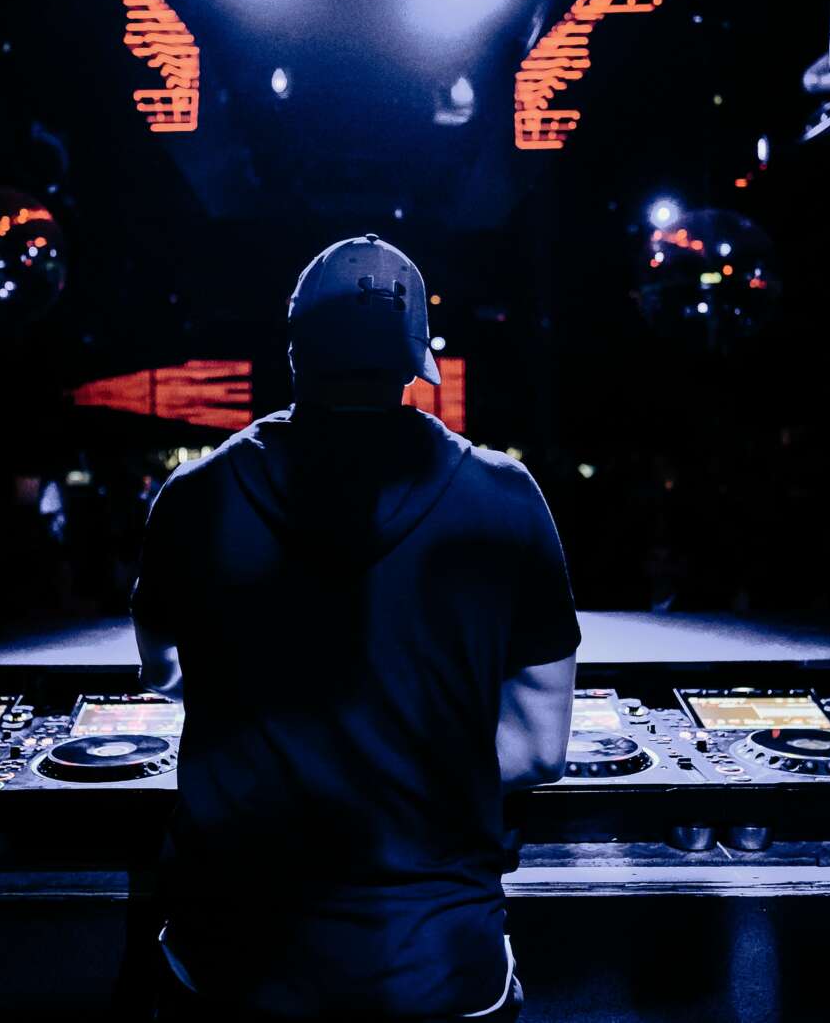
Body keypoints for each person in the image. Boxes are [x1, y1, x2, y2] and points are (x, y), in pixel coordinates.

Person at [131, 234, 580, 1020]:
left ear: (295, 350)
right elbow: (540, 748)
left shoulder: (193, 498)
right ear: (414, 363)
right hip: (440, 964)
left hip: (230, 961)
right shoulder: (508, 498)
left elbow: (167, 676)